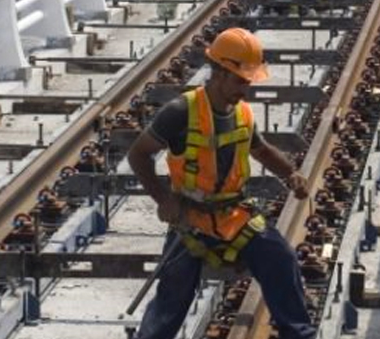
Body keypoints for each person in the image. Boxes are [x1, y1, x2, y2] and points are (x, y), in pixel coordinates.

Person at [127, 28, 315, 339]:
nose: (245, 88)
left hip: (234, 214)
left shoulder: (242, 113)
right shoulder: (180, 112)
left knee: (280, 257)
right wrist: (164, 199)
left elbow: (261, 149)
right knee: (175, 288)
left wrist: (290, 174)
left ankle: (299, 334)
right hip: (190, 219)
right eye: (240, 81)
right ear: (219, 72)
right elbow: (138, 154)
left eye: (248, 81)